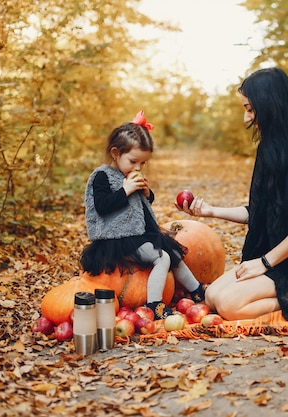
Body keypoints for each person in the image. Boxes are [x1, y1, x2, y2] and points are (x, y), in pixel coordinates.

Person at [176, 68, 288, 321]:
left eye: (251, 109)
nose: (246, 118)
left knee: (229, 306)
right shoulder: (270, 148)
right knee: (212, 296)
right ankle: (287, 296)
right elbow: (260, 212)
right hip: (280, 258)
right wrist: (210, 211)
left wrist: (263, 263)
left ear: (270, 105)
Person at [80, 110, 205, 320]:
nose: (138, 167)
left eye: (143, 163)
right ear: (114, 153)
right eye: (133, 161)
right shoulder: (102, 176)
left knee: (172, 254)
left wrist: (147, 194)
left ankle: (197, 290)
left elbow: (140, 207)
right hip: (116, 239)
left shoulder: (129, 175)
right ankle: (154, 305)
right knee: (161, 257)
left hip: (138, 234)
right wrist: (125, 191)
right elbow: (102, 206)